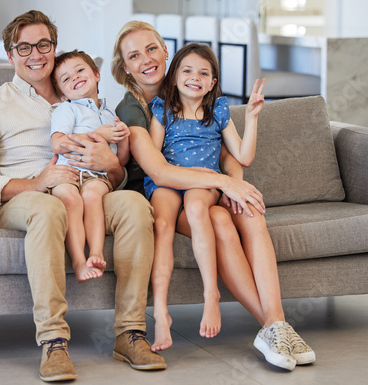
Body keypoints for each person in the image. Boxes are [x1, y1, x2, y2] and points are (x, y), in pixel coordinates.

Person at [0, 11, 166, 383]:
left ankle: (130, 333)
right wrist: (37, 182)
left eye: (43, 44)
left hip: (88, 188)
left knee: (134, 204)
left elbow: (114, 176)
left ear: (54, 47)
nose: (35, 54)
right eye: (24, 47)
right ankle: (53, 340)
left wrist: (111, 166)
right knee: (49, 206)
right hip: (25, 198)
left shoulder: (86, 99)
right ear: (10, 55)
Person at [111, 20, 315, 371]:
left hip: (209, 189)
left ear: (165, 51)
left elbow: (227, 152)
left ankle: (277, 324)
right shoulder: (137, 109)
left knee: (247, 213)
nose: (146, 59)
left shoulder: (208, 102)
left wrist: (234, 184)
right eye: (134, 55)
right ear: (125, 66)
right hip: (170, 195)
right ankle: (271, 327)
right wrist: (223, 184)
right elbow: (159, 170)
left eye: (151, 48)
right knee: (216, 218)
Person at [145, 42, 265, 352]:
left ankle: (211, 294)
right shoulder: (162, 109)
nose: (194, 77)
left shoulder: (219, 110)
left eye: (203, 73)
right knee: (162, 225)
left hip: (206, 183)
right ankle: (161, 313)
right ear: (174, 77)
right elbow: (155, 161)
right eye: (187, 70)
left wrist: (252, 118)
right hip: (169, 184)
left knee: (198, 206)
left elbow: (243, 155)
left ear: (212, 83)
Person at [50, 50, 130, 282]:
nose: (74, 77)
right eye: (66, 79)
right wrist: (97, 134)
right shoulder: (68, 109)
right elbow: (57, 143)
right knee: (71, 199)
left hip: (98, 176)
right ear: (63, 95)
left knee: (93, 197)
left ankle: (95, 252)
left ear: (96, 74)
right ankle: (77, 260)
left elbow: (120, 161)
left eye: (80, 70)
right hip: (68, 171)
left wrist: (124, 139)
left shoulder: (109, 113)